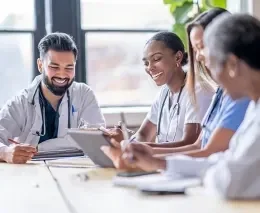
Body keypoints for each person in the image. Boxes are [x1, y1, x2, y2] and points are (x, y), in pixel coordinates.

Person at [101, 8, 249, 171]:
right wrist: (145, 150)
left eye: (202, 47)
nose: (199, 56)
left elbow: (209, 151)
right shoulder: (223, 94)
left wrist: (155, 159)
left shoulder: (237, 96)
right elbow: (198, 145)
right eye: (196, 49)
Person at [0, 32, 105, 164]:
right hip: (29, 175)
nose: (62, 74)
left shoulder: (84, 94)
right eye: (54, 67)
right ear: (40, 65)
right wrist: (5, 152)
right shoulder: (20, 102)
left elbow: (96, 140)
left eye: (69, 67)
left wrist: (39, 148)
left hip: (75, 174)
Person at [202, 13, 260, 199]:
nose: (215, 79)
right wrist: (163, 163)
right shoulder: (254, 105)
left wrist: (211, 173)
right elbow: (229, 160)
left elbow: (228, 182)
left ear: (232, 64)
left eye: (211, 66)